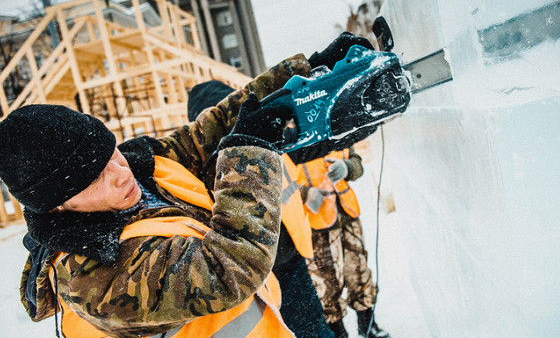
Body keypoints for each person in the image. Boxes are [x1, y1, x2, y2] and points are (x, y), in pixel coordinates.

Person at [1, 32, 377, 338]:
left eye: (112, 153)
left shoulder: (141, 166)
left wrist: (306, 72)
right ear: (56, 206)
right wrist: (251, 151)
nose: (121, 172)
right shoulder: (92, 279)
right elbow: (228, 268)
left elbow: (210, 130)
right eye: (95, 178)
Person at [188, 80, 334, 338]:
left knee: (314, 330)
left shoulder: (262, 140)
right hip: (256, 281)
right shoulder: (204, 172)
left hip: (290, 262)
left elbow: (317, 140)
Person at [297, 147, 391, 338]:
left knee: (360, 272)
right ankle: (338, 334)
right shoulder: (287, 132)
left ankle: (368, 326)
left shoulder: (335, 125)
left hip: (347, 214)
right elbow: (279, 178)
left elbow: (356, 161)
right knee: (327, 284)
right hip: (317, 223)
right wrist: (304, 194)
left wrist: (347, 168)